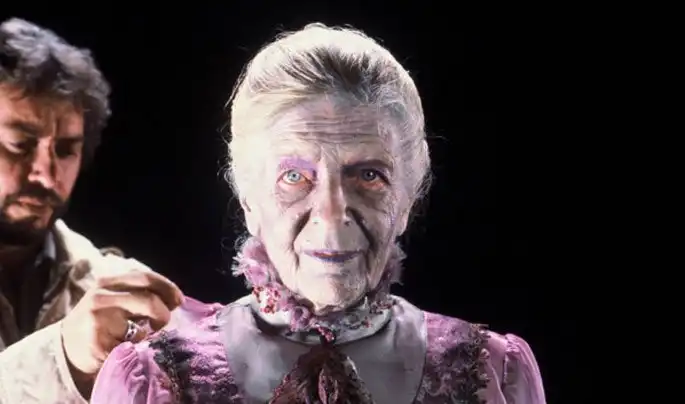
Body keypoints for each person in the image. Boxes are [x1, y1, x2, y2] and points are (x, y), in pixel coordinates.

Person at [91, 23, 546, 403]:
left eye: (369, 175)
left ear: (407, 198)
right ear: (248, 199)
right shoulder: (153, 380)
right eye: (294, 177)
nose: (330, 215)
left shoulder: (494, 374)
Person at [0, 18, 192, 403]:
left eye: (66, 150)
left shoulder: (112, 285)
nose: (46, 174)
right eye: (20, 144)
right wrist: (63, 358)